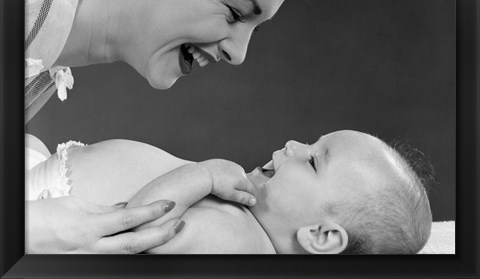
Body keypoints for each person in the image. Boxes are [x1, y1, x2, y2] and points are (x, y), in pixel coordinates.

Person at [24, 0, 337, 253]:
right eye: (235, 13)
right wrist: (35, 230)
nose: (238, 54)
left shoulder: (44, 57)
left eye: (254, 30)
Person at [27, 130, 433, 254]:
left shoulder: (241, 247)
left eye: (312, 161)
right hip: (46, 179)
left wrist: (199, 178)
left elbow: (134, 235)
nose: (293, 145)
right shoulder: (244, 224)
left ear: (322, 236)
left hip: (45, 211)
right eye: (311, 141)